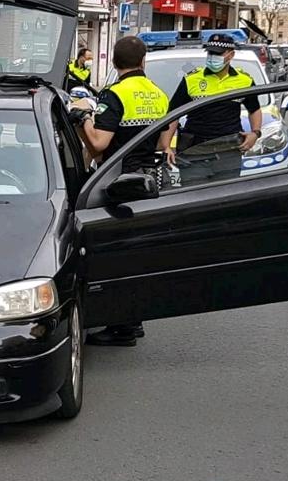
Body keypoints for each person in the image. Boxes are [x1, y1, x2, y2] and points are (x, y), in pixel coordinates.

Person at [74, 35, 175, 347]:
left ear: (115, 64)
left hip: (115, 184)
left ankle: (122, 326)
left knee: (113, 254)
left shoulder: (114, 95)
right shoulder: (158, 95)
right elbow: (163, 143)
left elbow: (99, 144)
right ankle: (132, 320)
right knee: (135, 254)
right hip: (147, 182)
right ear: (143, 61)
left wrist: (83, 119)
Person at [167, 33, 262, 185]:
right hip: (194, 152)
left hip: (228, 151)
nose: (212, 57)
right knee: (192, 200)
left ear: (231, 55)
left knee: (224, 200)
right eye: (210, 53)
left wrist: (255, 133)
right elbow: (172, 114)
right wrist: (167, 146)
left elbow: (254, 109)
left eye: (217, 54)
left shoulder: (244, 80)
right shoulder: (192, 79)